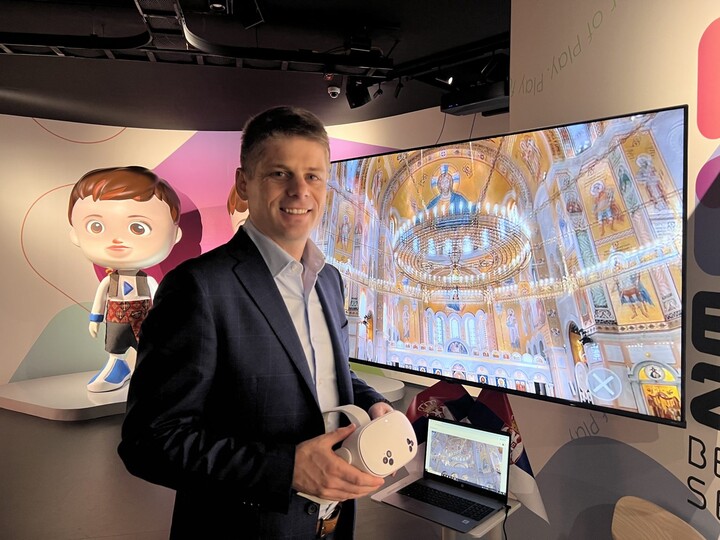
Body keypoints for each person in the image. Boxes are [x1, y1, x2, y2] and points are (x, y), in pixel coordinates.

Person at [118, 106, 394, 539]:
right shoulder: (198, 288)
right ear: (244, 183)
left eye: (313, 176)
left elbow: (323, 371)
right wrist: (285, 469)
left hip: (331, 526)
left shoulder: (330, 281)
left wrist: (373, 402)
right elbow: (149, 442)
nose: (300, 191)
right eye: (279, 174)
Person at [68, 166, 182, 392]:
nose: (117, 240)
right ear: (75, 235)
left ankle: (153, 371)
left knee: (148, 348)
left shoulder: (148, 282)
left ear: (175, 235)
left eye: (138, 228)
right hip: (115, 320)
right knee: (115, 347)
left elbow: (159, 303)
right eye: (96, 226)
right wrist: (95, 319)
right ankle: (116, 367)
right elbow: (100, 300)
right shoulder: (109, 282)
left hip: (144, 320)